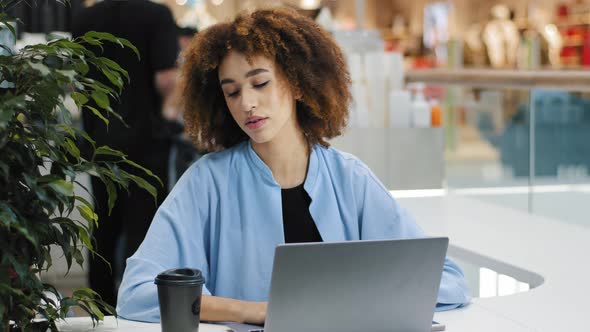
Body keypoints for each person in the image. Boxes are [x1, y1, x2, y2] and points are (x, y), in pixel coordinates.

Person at [117, 8, 470, 324]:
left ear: (298, 84)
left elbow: (449, 281)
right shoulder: (207, 183)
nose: (247, 104)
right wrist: (255, 311)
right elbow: (137, 293)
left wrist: (353, 302)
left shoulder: (350, 178)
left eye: (260, 83)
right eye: (233, 92)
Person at [72, 0, 180, 307]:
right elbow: (166, 79)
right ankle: (138, 303)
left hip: (100, 140)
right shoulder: (157, 15)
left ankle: (100, 305)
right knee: (144, 228)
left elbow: (79, 82)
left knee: (104, 226)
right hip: (147, 141)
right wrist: (170, 115)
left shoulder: (85, 18)